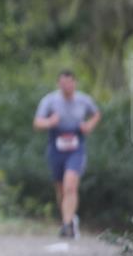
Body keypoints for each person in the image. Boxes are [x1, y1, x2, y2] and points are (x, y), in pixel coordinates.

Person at [33, 70, 101, 238]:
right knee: (61, 189)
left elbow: (97, 114)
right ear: (58, 84)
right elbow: (37, 123)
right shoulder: (49, 101)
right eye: (63, 84)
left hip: (76, 148)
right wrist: (50, 122)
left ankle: (66, 225)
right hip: (56, 147)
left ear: (75, 83)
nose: (66, 87)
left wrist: (89, 125)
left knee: (70, 185)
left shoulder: (84, 100)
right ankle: (70, 219)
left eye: (69, 83)